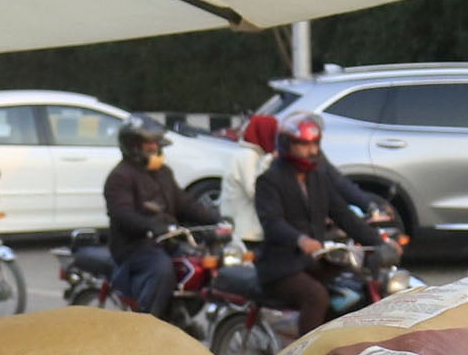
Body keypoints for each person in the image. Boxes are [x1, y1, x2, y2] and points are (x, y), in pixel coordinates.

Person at [251, 111, 377, 337]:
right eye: (303, 145)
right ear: (287, 144)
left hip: (315, 260)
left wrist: (380, 242)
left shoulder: (318, 177)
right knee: (316, 296)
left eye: (314, 144)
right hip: (281, 266)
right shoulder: (269, 180)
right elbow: (272, 222)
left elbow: (342, 214)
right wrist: (300, 240)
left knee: (356, 284)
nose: (311, 151)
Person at [103, 114, 221, 315]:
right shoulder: (120, 177)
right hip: (135, 247)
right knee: (162, 268)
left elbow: (185, 203)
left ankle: (181, 314)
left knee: (200, 264)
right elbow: (121, 213)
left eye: (156, 143)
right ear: (133, 145)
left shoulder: (163, 172)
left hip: (167, 242)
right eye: (149, 143)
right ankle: (148, 323)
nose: (155, 147)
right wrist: (150, 225)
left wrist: (216, 218)